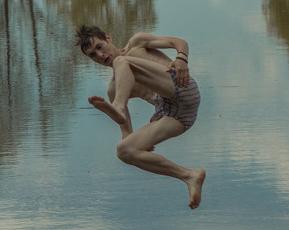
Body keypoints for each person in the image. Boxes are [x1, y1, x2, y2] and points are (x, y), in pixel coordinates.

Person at [75, 24, 206, 209]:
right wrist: (140, 146)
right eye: (93, 56)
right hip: (178, 117)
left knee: (121, 62)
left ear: (108, 38)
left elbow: (179, 42)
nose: (101, 56)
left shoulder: (137, 44)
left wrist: (182, 59)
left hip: (181, 87)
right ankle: (189, 176)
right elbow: (127, 135)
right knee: (124, 150)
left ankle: (118, 107)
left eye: (99, 47)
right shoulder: (114, 88)